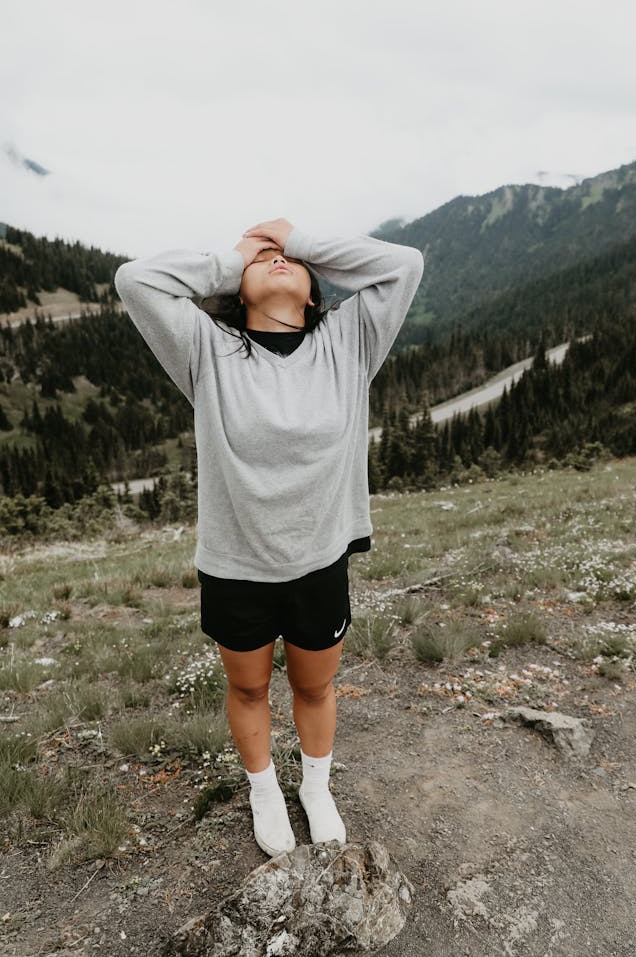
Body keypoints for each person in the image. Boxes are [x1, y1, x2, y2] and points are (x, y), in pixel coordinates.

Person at [114, 216, 423, 856]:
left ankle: (315, 787)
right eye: (266, 261)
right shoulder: (207, 349)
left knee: (313, 687)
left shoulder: (349, 341)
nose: (278, 261)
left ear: (314, 292)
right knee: (250, 687)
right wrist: (238, 259)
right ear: (237, 291)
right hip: (236, 564)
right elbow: (136, 281)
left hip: (320, 559)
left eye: (291, 262)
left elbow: (404, 266)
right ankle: (262, 791)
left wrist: (296, 236)